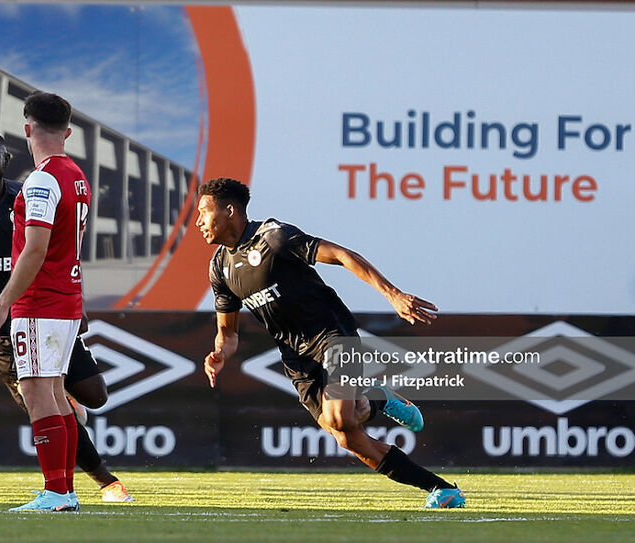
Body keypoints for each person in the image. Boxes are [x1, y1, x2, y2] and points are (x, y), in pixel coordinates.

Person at [196, 177, 465, 509]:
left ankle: (371, 399)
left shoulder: (274, 237)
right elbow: (229, 332)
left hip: (333, 334)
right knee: (347, 436)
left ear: (229, 210)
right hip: (297, 358)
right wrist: (221, 352)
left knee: (340, 416)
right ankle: (440, 488)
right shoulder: (220, 268)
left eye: (203, 213)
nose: (199, 222)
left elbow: (341, 255)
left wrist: (393, 294)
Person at [0, 128, 131, 510]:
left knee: (94, 395)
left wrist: (75, 308)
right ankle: (102, 482)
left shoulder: (27, 196)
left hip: (44, 310)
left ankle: (64, 482)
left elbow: (58, 251)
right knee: (39, 400)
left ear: (5, 159)